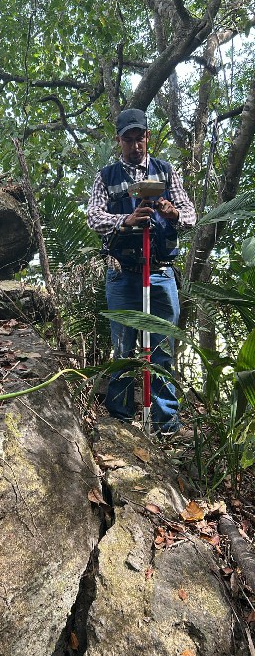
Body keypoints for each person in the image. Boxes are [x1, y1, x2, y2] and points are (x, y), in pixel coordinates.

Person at [87, 108, 196, 435]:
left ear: (148, 137)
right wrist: (125, 220)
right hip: (124, 275)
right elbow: (93, 217)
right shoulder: (106, 177)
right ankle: (119, 421)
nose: (135, 145)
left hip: (161, 274)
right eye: (128, 139)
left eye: (140, 138)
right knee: (123, 349)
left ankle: (165, 424)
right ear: (118, 140)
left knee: (161, 349)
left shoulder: (164, 171)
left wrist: (172, 211)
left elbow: (190, 214)